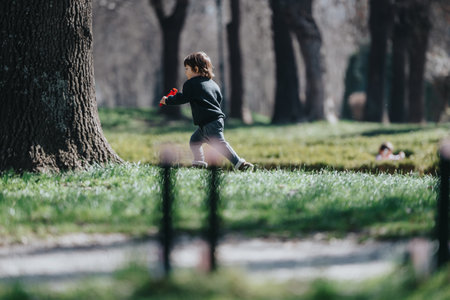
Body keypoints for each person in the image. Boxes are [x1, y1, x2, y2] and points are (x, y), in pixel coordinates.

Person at [159, 51, 254, 171]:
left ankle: (239, 163)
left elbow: (183, 97)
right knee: (194, 141)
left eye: (187, 68)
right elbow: (218, 98)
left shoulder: (191, 84)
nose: (185, 72)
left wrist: (167, 100)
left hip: (210, 122)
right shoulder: (213, 84)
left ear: (196, 68)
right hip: (211, 121)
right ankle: (199, 163)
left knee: (219, 143)